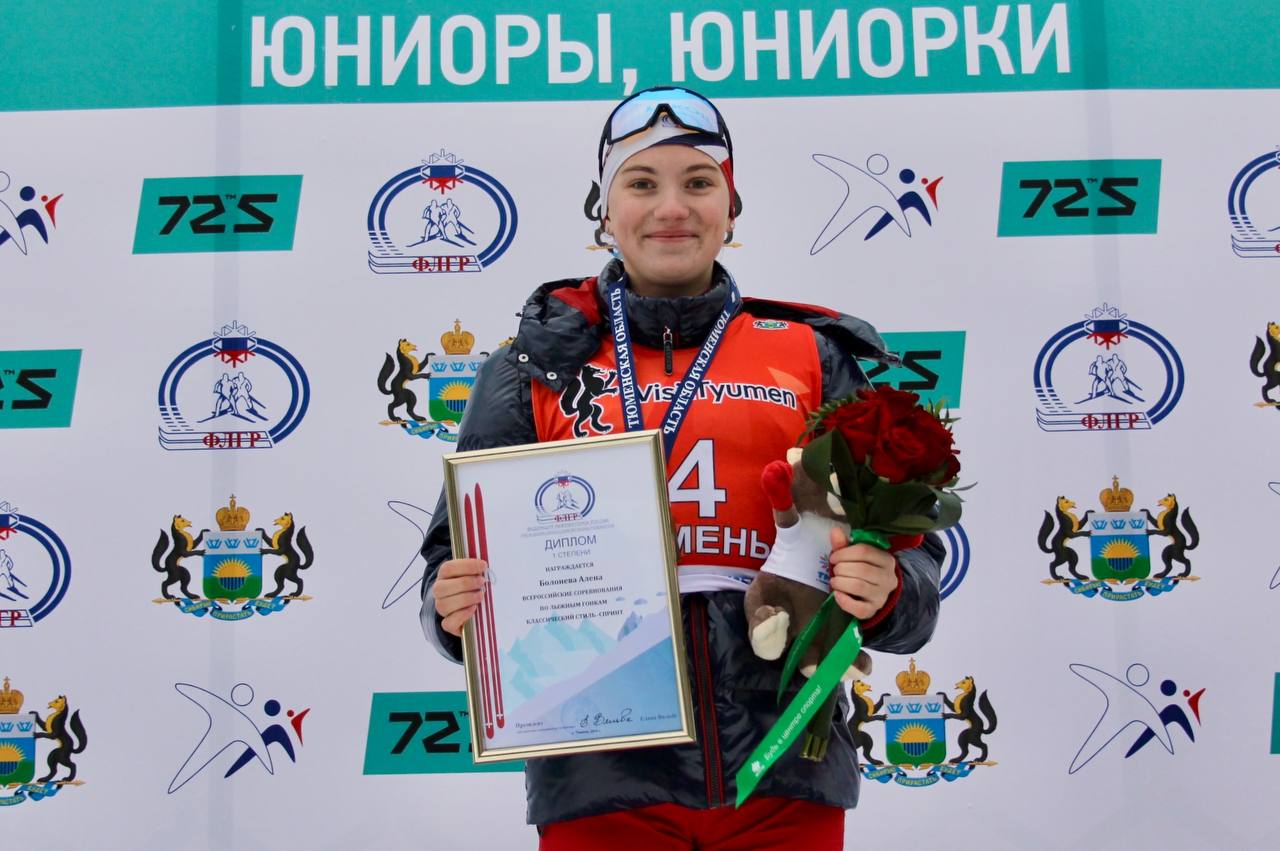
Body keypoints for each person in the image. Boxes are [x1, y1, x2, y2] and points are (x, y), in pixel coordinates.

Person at [420, 86, 943, 850]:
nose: (672, 207)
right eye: (642, 183)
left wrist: (889, 589)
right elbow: (452, 561)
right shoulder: (531, 366)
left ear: (732, 207)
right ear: (604, 209)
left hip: (784, 764)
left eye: (699, 182)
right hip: (599, 772)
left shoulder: (812, 353)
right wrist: (451, 608)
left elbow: (913, 557)